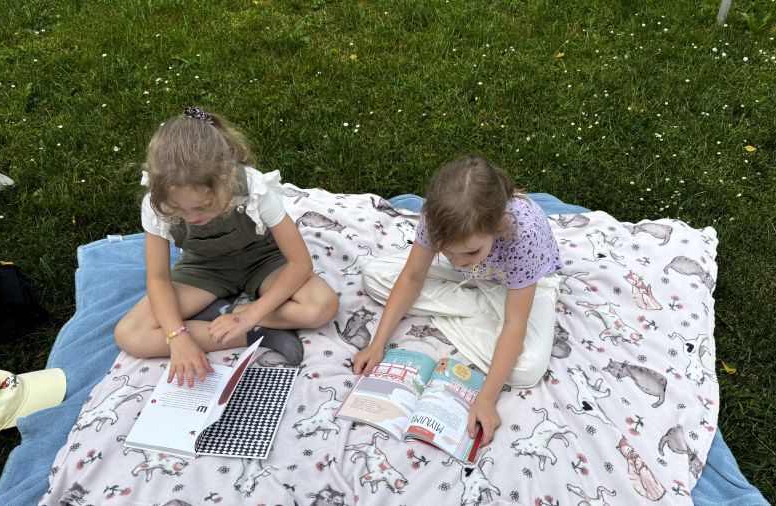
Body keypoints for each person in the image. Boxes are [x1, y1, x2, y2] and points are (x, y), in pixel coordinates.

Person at [115, 108, 338, 386]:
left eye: (202, 206)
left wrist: (250, 314)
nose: (191, 217)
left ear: (229, 177)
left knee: (321, 307)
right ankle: (259, 334)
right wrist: (177, 337)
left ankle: (230, 314)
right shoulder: (157, 203)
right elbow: (158, 278)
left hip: (263, 261)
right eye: (178, 209)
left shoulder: (253, 187)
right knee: (130, 334)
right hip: (203, 269)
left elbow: (300, 263)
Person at [352, 155, 562, 445]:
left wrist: (486, 398)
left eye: (471, 251)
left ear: (499, 225)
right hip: (477, 278)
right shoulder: (436, 217)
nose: (459, 261)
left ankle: (484, 308)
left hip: (521, 286)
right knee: (374, 275)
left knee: (527, 369)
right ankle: (481, 308)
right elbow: (412, 275)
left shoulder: (522, 234)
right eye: (447, 251)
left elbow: (515, 324)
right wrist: (377, 344)